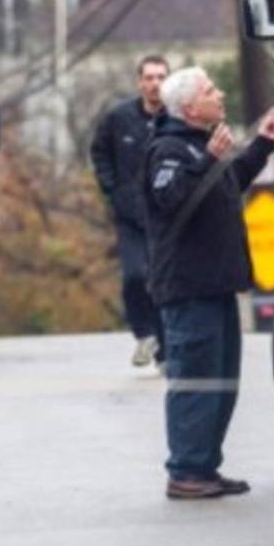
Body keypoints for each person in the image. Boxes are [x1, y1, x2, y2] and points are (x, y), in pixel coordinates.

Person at [143, 66, 274, 500]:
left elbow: (229, 184)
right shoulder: (168, 150)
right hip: (189, 289)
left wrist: (263, 144)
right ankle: (185, 470)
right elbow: (169, 199)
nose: (220, 94)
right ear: (188, 107)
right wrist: (206, 160)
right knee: (195, 381)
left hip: (217, 286)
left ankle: (205, 466)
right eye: (210, 91)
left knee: (221, 382)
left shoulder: (203, 146)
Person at [89, 55, 169, 368]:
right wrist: (112, 189)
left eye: (161, 77)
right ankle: (144, 333)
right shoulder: (118, 118)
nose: (155, 84)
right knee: (135, 276)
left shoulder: (176, 118)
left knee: (163, 281)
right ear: (139, 82)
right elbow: (99, 152)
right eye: (149, 78)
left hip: (165, 217)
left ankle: (166, 352)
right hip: (130, 217)